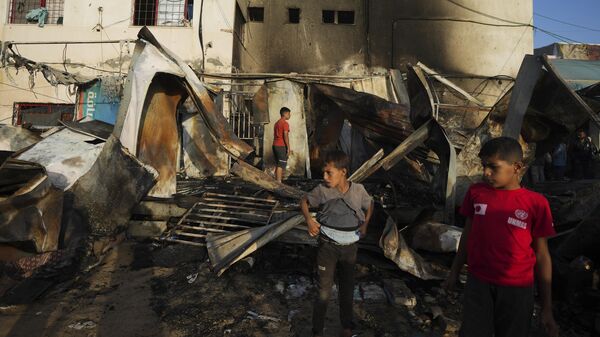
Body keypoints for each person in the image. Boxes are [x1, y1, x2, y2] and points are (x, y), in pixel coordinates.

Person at [444, 137, 559, 337]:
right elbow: (468, 236)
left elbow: (542, 255)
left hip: (517, 289)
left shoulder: (536, 204)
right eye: (483, 166)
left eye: (493, 167)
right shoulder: (476, 193)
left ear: (516, 167)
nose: (486, 172)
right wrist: (454, 271)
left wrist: (546, 307)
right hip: (478, 282)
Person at [300, 150, 374, 337]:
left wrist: (365, 223)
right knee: (323, 291)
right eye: (323, 173)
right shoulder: (322, 191)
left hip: (350, 249)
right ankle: (317, 331)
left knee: (347, 288)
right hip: (328, 247)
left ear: (343, 172)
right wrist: (309, 219)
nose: (324, 177)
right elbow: (304, 201)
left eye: (329, 173)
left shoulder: (357, 191)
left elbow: (370, 203)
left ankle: (347, 327)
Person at [273, 107, 291, 182]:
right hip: (281, 146)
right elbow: (285, 136)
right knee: (281, 165)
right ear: (285, 114)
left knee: (278, 164)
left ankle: (277, 180)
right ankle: (279, 183)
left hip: (275, 145)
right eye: (289, 114)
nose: (290, 115)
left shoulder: (277, 123)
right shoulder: (285, 123)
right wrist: (288, 148)